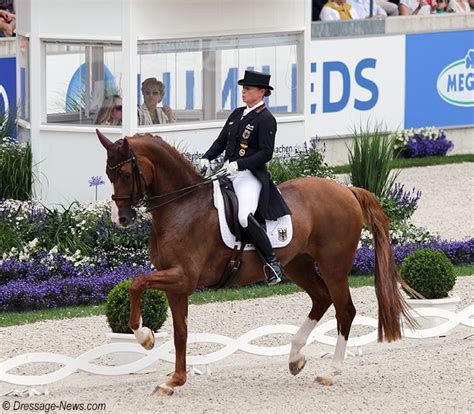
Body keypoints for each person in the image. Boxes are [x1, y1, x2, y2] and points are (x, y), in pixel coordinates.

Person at [199, 70, 291, 286]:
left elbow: (266, 153)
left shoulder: (266, 119)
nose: (244, 91)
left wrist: (240, 164)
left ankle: (273, 263)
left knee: (243, 216)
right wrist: (207, 157)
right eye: (243, 87)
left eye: (248, 88)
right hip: (227, 172)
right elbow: (221, 141)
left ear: (262, 93)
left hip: (249, 175)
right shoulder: (237, 114)